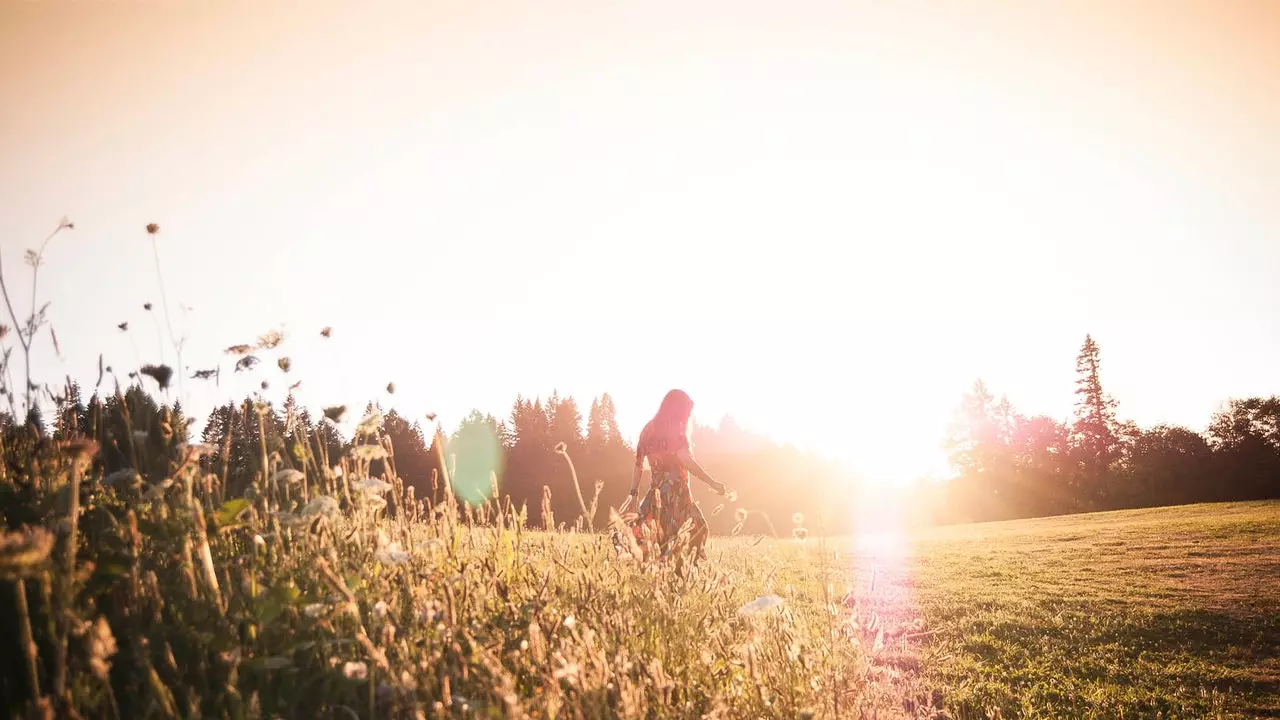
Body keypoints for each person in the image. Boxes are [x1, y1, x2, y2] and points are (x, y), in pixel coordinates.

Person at [627, 389, 727, 562]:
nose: (687, 417)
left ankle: (664, 574)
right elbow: (687, 461)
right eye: (687, 413)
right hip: (677, 495)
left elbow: (638, 465)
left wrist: (634, 493)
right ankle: (680, 573)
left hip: (656, 492)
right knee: (696, 531)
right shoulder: (675, 430)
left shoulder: (648, 429)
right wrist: (712, 482)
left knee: (659, 537)